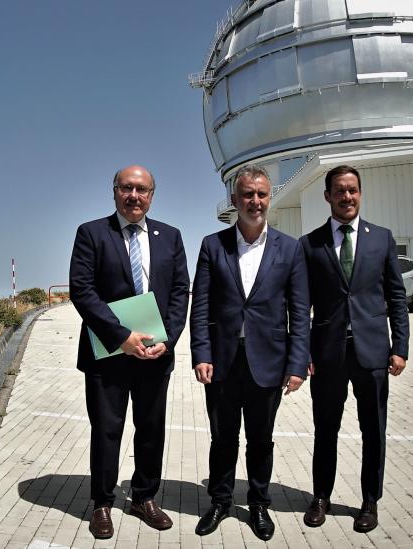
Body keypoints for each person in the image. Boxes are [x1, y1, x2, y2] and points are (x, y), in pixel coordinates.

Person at [69, 165, 190, 540]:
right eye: (127, 188)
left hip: (155, 354)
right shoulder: (91, 233)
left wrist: (167, 338)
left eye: (142, 189)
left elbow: (180, 290)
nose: (134, 196)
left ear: (152, 195)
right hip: (109, 352)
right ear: (115, 191)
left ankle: (144, 497)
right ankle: (102, 503)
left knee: (151, 429)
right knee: (107, 430)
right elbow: (82, 290)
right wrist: (122, 336)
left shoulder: (170, 236)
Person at [189, 166, 310, 541]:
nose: (254, 201)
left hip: (268, 362)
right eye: (247, 195)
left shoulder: (289, 248)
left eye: (261, 194)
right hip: (223, 361)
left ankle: (258, 503)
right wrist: (200, 354)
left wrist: (296, 365)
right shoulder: (213, 245)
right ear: (234, 201)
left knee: (261, 439)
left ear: (269, 198)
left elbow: (299, 312)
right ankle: (221, 502)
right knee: (222, 438)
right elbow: (202, 307)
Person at [299, 165, 410, 533]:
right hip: (327, 354)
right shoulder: (310, 244)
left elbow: (396, 296)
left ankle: (369, 501)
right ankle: (320, 497)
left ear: (360, 194)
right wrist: (304, 353)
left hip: (373, 353)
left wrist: (401, 347)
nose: (347, 197)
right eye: (340, 191)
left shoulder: (381, 238)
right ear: (327, 196)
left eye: (353, 190)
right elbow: (300, 306)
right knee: (325, 430)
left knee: (373, 430)